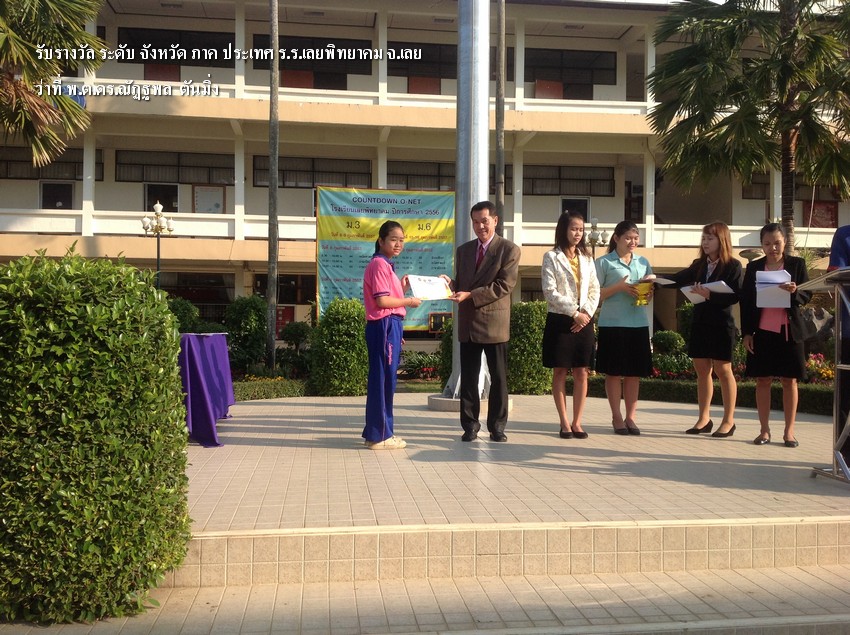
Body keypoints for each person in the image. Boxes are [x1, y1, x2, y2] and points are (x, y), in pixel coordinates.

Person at [446, 201, 521, 442]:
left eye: (484, 221)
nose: (480, 227)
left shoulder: (509, 250)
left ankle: (497, 427)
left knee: (498, 378)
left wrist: (470, 295)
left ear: (495, 221)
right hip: (468, 323)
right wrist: (449, 285)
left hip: (494, 324)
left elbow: (504, 286)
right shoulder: (464, 250)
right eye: (476, 222)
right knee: (469, 377)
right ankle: (470, 426)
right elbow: (462, 283)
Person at [667, 222, 743, 438]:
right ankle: (704, 418)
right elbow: (678, 278)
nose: (705, 242)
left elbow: (736, 295)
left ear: (722, 240)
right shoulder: (698, 265)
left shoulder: (733, 266)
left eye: (710, 238)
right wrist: (655, 280)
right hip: (700, 323)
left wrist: (710, 294)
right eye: (704, 238)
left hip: (722, 324)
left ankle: (728, 421)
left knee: (723, 370)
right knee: (702, 370)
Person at [740, 222, 811, 447]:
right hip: (762, 331)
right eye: (767, 243)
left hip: (789, 330)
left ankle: (789, 432)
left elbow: (807, 293)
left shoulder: (797, 264)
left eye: (777, 243)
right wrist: (747, 333)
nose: (773, 248)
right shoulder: (754, 268)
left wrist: (795, 291)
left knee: (790, 380)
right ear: (762, 245)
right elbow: (746, 301)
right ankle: (764, 431)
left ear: (785, 242)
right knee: (763, 379)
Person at [362, 221, 422, 449]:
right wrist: (408, 300)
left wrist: (402, 289)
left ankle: (377, 433)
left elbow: (388, 299)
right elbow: (382, 301)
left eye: (402, 240)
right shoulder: (379, 264)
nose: (398, 244)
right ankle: (380, 436)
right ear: (381, 241)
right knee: (384, 380)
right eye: (393, 239)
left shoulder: (386, 265)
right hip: (384, 325)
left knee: (385, 379)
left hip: (388, 326)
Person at [541, 211, 600, 439]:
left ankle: (577, 422)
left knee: (582, 371)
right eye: (574, 228)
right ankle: (564, 422)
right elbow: (550, 291)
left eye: (581, 229)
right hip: (561, 320)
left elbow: (594, 289)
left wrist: (585, 314)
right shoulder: (551, 256)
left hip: (584, 320)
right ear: (563, 230)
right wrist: (574, 313)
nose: (578, 233)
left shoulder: (587, 258)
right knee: (560, 370)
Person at [594, 220, 654, 435]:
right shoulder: (603, 263)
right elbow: (595, 295)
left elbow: (647, 294)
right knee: (613, 373)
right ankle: (616, 417)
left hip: (638, 323)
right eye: (628, 237)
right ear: (616, 238)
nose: (632, 242)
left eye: (636, 238)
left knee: (634, 374)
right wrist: (619, 287)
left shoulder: (643, 262)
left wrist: (647, 293)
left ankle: (631, 417)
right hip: (612, 324)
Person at [827, 225, 850, 460]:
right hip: (849, 329)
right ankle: (845, 456)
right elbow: (837, 276)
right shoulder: (845, 235)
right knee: (847, 395)